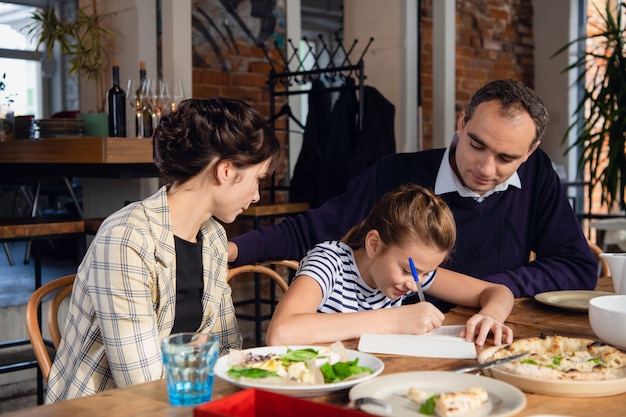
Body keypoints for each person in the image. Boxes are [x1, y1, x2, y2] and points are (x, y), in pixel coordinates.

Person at [229, 79, 598, 305]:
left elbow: (578, 267)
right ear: (462, 122)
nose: (486, 168)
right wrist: (234, 248)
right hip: (401, 337)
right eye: (476, 145)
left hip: (495, 326)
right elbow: (311, 231)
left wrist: (489, 290)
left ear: (529, 153)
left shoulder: (537, 175)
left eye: (506, 158)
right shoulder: (396, 173)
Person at [46, 98, 281, 402]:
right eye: (257, 179)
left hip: (186, 401)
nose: (257, 196)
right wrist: (202, 360)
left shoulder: (213, 238)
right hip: (107, 408)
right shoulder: (126, 238)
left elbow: (227, 349)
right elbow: (141, 382)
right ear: (225, 171)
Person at [266, 184, 514, 346]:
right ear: (374, 244)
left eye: (424, 273)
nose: (414, 282)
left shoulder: (414, 274)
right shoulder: (329, 263)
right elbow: (280, 333)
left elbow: (498, 292)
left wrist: (490, 316)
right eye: (408, 270)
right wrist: (394, 320)